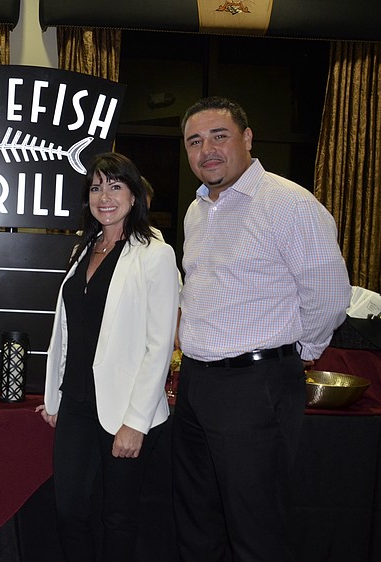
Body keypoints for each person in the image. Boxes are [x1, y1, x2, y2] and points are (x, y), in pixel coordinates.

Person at [173, 96, 351, 561]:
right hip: (196, 382)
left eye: (219, 136)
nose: (207, 150)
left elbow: (329, 294)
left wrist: (300, 353)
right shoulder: (196, 211)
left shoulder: (289, 203)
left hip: (254, 385)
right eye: (195, 141)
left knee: (256, 529)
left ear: (248, 138)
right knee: (197, 520)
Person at [37, 152, 180, 561]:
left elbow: (159, 344)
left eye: (115, 186)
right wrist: (55, 396)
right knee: (68, 512)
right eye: (97, 187)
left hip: (125, 410)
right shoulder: (83, 249)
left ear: (134, 196)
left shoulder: (154, 253)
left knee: (118, 517)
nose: (105, 196)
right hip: (76, 403)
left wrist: (135, 422)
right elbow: (69, 331)